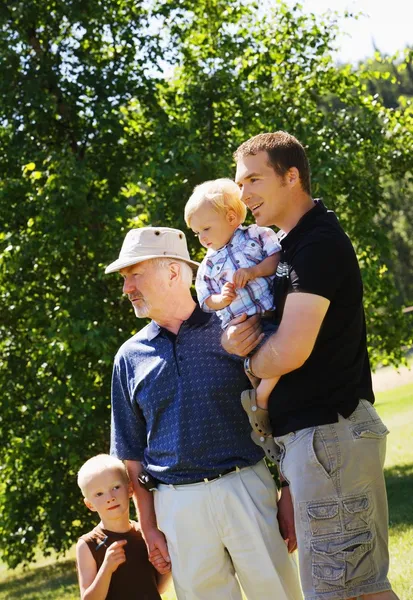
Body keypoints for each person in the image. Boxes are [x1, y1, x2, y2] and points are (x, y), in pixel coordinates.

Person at [222, 130, 399, 600]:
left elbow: (291, 350)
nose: (243, 196)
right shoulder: (290, 247)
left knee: (338, 590)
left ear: (292, 176)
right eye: (240, 184)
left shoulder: (316, 244)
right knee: (360, 588)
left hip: (329, 438)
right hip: (326, 441)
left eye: (254, 180)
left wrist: (252, 359)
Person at [104, 226, 302, 600]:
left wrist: (288, 493)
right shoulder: (128, 358)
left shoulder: (234, 328)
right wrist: (149, 527)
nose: (126, 288)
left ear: (174, 272)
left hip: (247, 487)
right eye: (124, 278)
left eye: (135, 275)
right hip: (176, 506)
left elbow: (280, 411)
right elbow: (131, 453)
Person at [184, 177, 281, 456]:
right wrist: (221, 299)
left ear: (230, 217)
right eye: (196, 233)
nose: (201, 238)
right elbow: (206, 300)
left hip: (272, 313)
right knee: (264, 361)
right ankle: (260, 405)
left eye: (205, 228)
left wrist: (254, 272)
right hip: (243, 328)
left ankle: (261, 404)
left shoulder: (256, 235)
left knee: (283, 352)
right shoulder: (208, 266)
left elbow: (275, 259)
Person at [76, 454, 171, 600]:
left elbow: (158, 588)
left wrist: (165, 568)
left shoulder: (146, 534)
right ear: (89, 504)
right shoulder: (88, 545)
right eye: (99, 494)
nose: (110, 497)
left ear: (130, 489)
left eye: (115, 487)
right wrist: (106, 569)